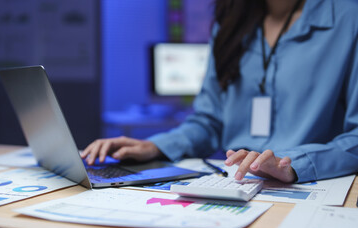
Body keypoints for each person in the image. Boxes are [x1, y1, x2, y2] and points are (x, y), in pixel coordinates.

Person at [82, 0, 358, 183]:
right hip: (231, 180)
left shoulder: (349, 18)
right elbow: (208, 121)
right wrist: (157, 146)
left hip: (309, 183)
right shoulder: (229, 24)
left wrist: (293, 164)